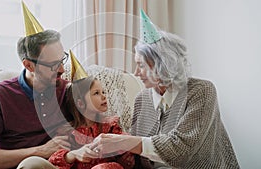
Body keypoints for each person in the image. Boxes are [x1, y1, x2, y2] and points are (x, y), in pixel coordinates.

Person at [91, 9, 240, 169]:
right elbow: (137, 158)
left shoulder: (202, 91)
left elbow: (181, 149)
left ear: (162, 64)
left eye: (140, 65)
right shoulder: (142, 100)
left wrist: (126, 142)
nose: (135, 73)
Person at [0, 2, 72, 169]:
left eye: (62, 60)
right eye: (53, 64)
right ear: (29, 65)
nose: (61, 70)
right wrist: (41, 151)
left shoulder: (67, 90)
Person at [48, 51, 135, 169]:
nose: (104, 96)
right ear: (80, 103)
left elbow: (129, 162)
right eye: (96, 93)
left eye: (103, 92)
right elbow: (53, 162)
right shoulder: (68, 132)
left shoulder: (110, 126)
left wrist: (123, 144)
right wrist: (73, 155)